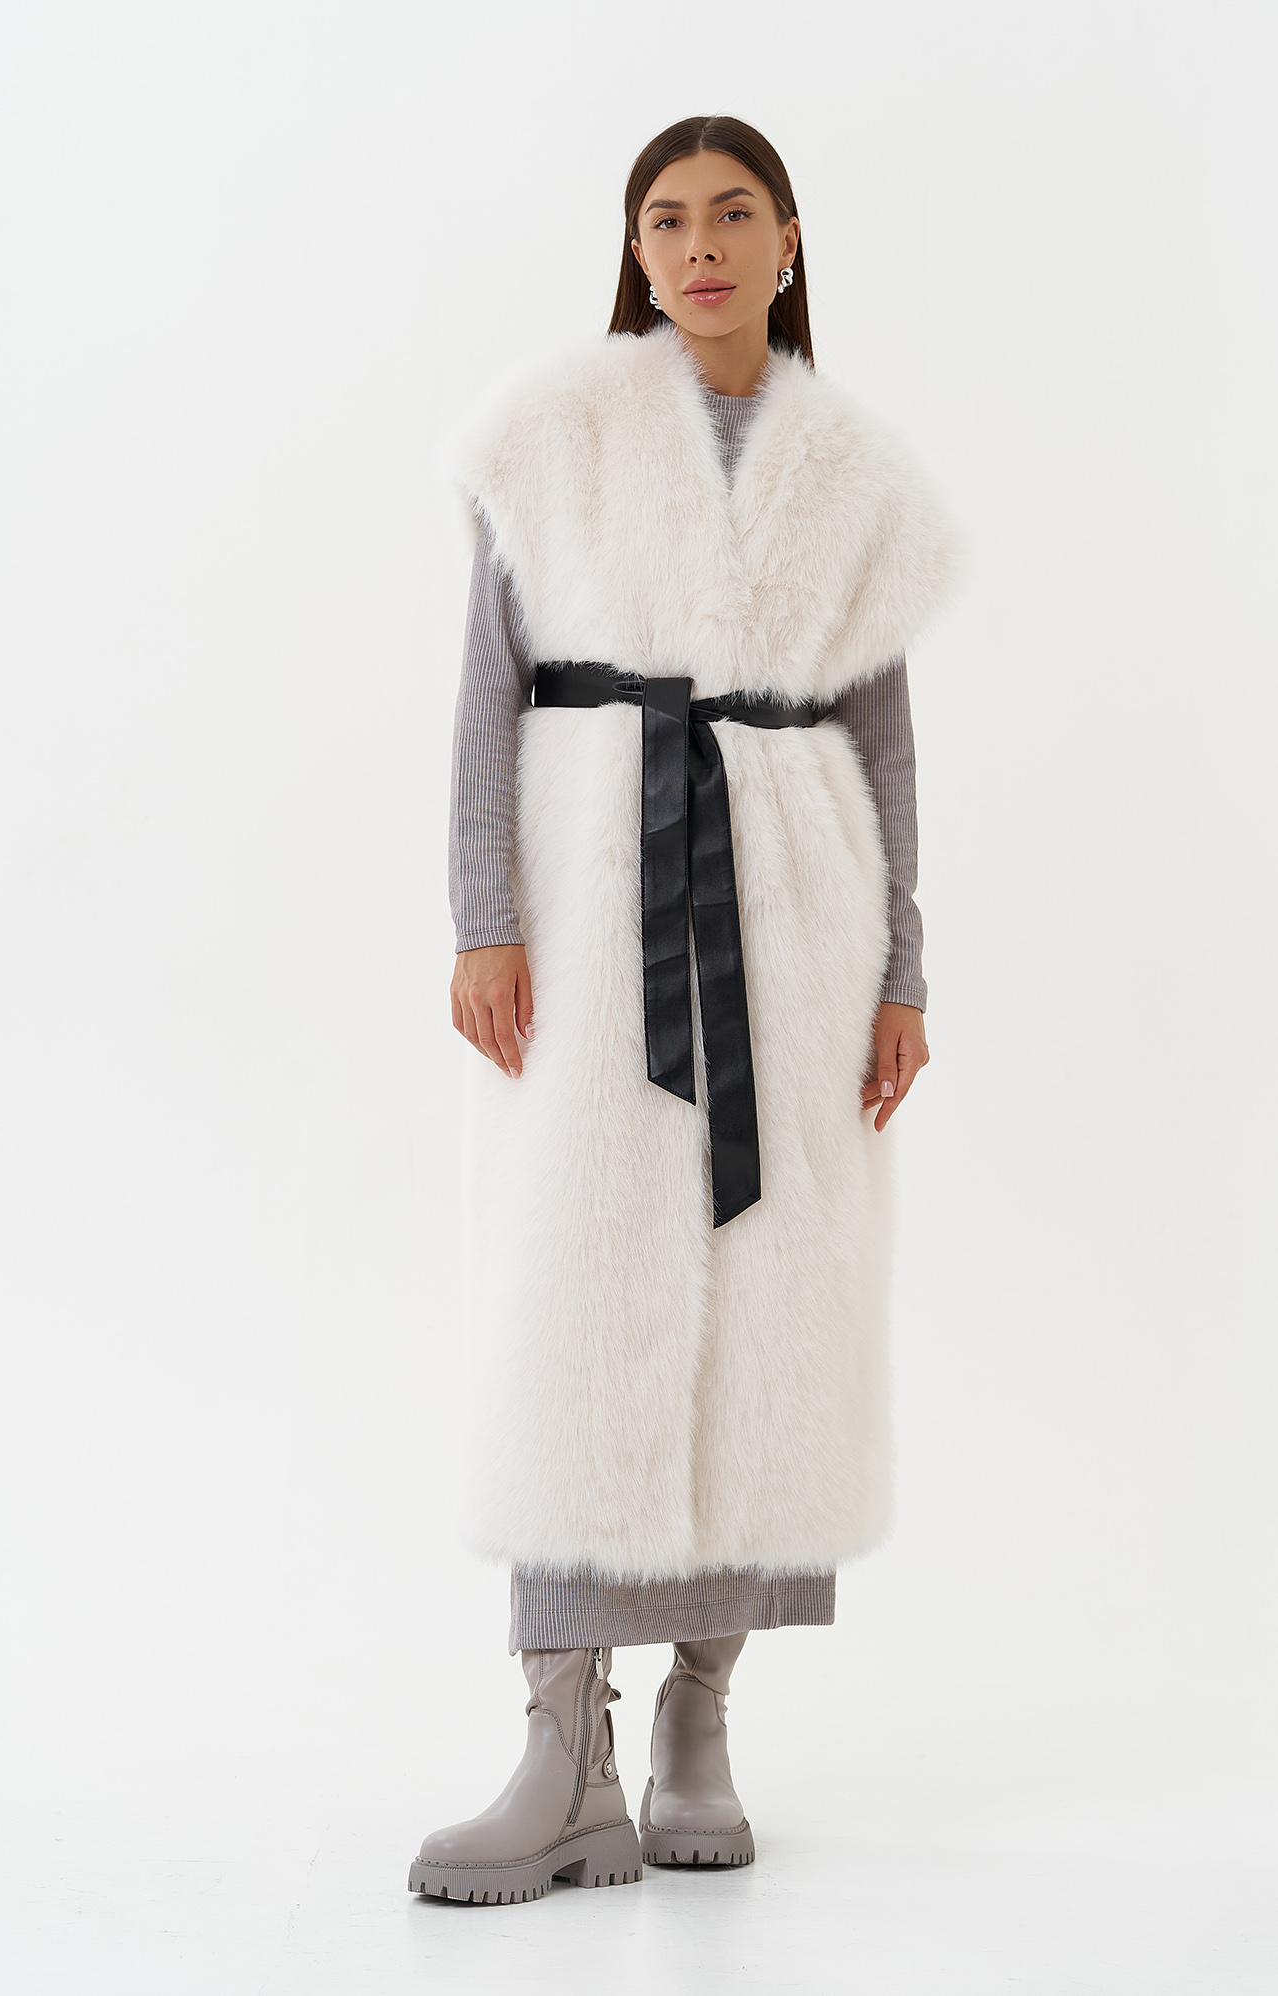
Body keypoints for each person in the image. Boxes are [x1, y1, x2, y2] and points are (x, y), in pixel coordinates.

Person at [409, 114, 959, 1906]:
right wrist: (486, 920)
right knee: (573, 1298)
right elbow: (487, 693)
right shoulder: (548, 440)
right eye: (668, 217)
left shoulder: (852, 476)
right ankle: (560, 1743)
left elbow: (880, 741)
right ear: (635, 250)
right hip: (588, 907)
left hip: (797, 918)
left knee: (768, 1303)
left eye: (735, 214)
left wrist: (901, 967)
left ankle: (701, 1720)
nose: (702, 244)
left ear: (788, 241)